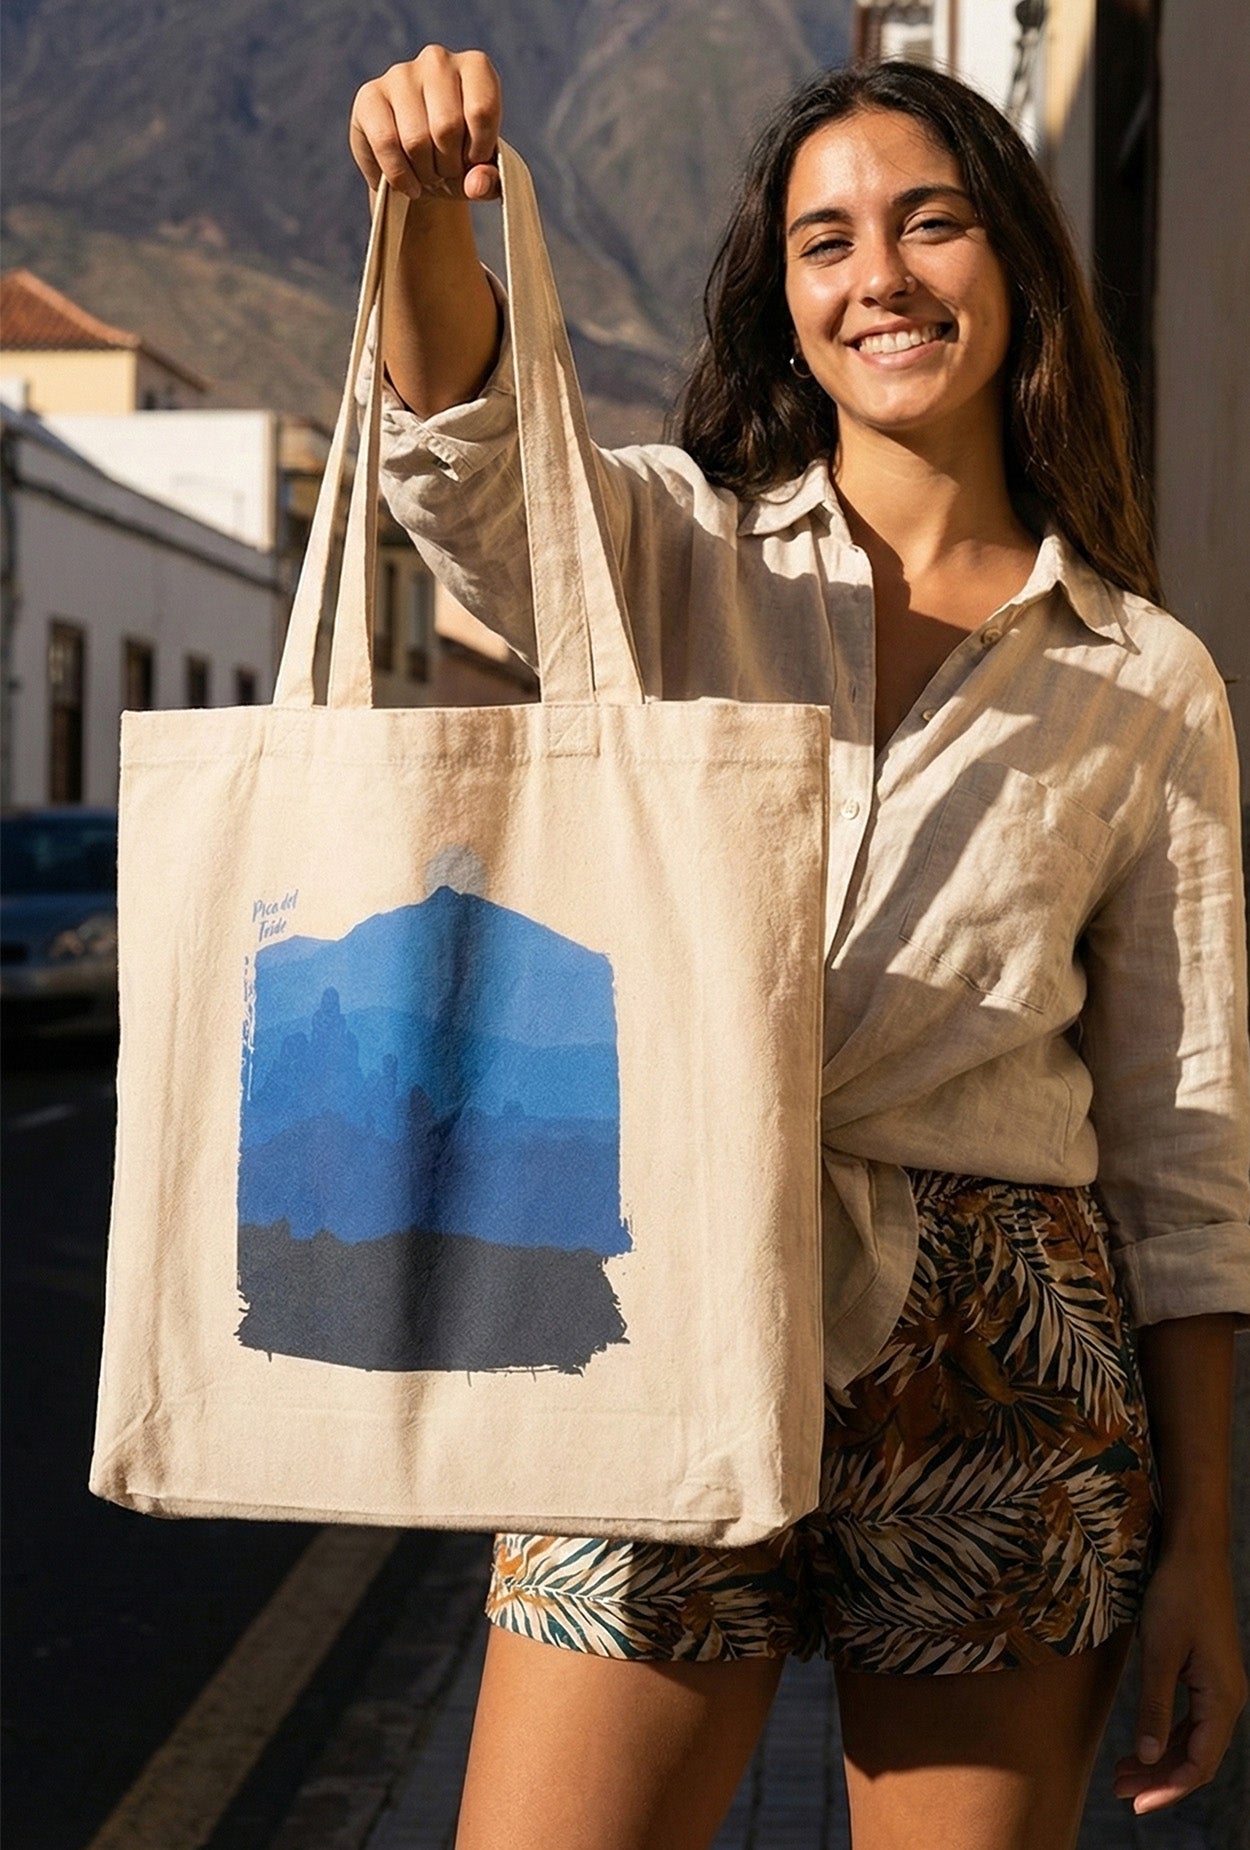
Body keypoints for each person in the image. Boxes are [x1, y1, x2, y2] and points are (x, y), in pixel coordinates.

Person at [348, 46, 1249, 1850]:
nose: (880, 276)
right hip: (664, 1284)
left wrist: (1204, 1554)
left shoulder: (1142, 670)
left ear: (1014, 264)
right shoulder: (669, 546)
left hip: (1008, 1342)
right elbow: (463, 468)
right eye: (825, 241)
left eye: (929, 223)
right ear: (783, 302)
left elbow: (1183, 1147)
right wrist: (425, 215)